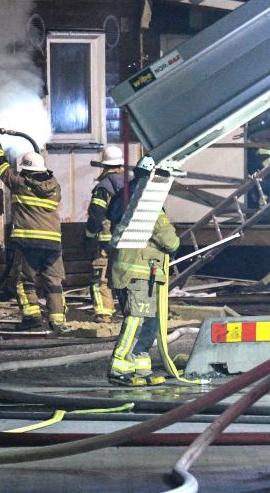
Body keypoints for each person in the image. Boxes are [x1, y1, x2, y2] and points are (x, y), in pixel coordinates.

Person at [107, 157, 180, 387]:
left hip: (139, 272)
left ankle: (140, 368)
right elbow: (170, 240)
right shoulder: (147, 202)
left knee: (148, 320)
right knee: (136, 319)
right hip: (139, 272)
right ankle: (119, 366)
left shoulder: (128, 196)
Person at [0, 131, 66, 333]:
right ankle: (58, 321)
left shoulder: (20, 184)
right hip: (54, 244)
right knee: (54, 283)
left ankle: (32, 318)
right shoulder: (55, 186)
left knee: (25, 282)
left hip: (28, 242)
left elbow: (2, 167)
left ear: (26, 170)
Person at [85, 145, 126, 324]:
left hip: (106, 242)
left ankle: (104, 313)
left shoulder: (103, 187)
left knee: (100, 277)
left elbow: (96, 215)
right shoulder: (133, 183)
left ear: (104, 165)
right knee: (127, 276)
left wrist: (87, 237)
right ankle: (131, 311)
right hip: (129, 241)